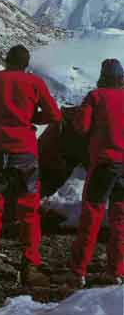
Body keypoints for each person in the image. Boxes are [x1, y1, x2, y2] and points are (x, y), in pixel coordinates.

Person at [0, 45, 61, 285]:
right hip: (26, 153)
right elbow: (55, 116)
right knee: (29, 211)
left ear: (7, 61)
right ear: (26, 64)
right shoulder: (35, 83)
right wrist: (31, 118)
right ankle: (30, 266)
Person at [69, 59, 124, 287]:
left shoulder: (95, 97)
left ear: (102, 77)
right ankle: (116, 272)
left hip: (103, 165)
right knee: (120, 220)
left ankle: (78, 271)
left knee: (91, 217)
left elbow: (81, 127)